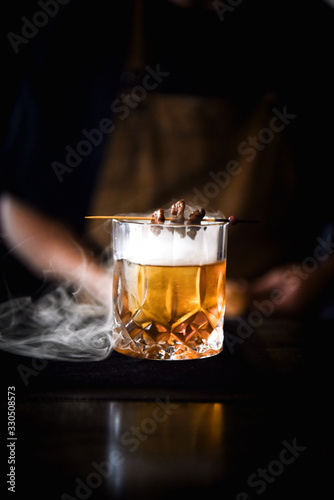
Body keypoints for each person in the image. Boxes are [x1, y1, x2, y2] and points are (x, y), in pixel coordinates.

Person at [1, 0, 334, 318]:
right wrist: (108, 286)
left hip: (269, 320)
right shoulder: (86, 22)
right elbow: (18, 209)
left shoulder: (307, 27)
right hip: (112, 315)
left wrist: (320, 276)